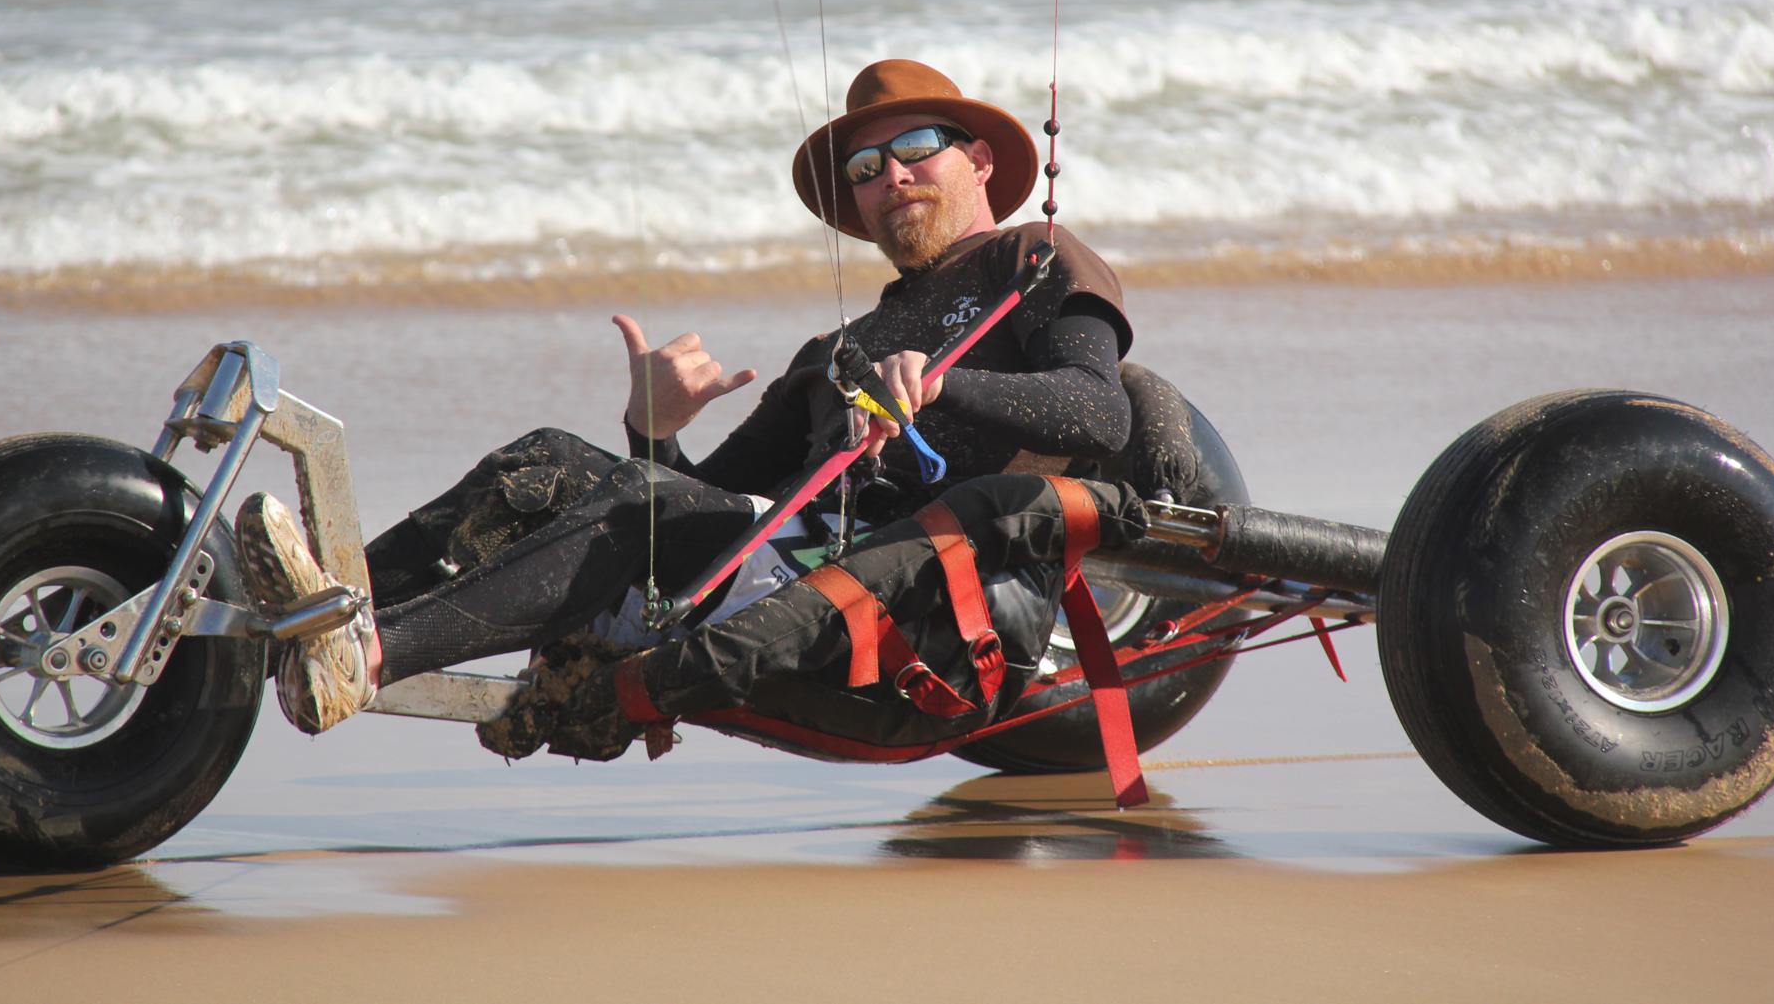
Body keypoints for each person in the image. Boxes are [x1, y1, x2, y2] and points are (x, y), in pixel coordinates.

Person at [238, 58, 1143, 750]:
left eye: (915, 149)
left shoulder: (1032, 261)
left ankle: (371, 654)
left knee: (642, 506)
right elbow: (698, 513)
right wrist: (654, 429)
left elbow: (1100, 412)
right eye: (867, 165)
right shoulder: (838, 352)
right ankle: (326, 613)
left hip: (914, 599)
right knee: (547, 458)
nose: (890, 177)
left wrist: (945, 381)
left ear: (979, 159)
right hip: (792, 568)